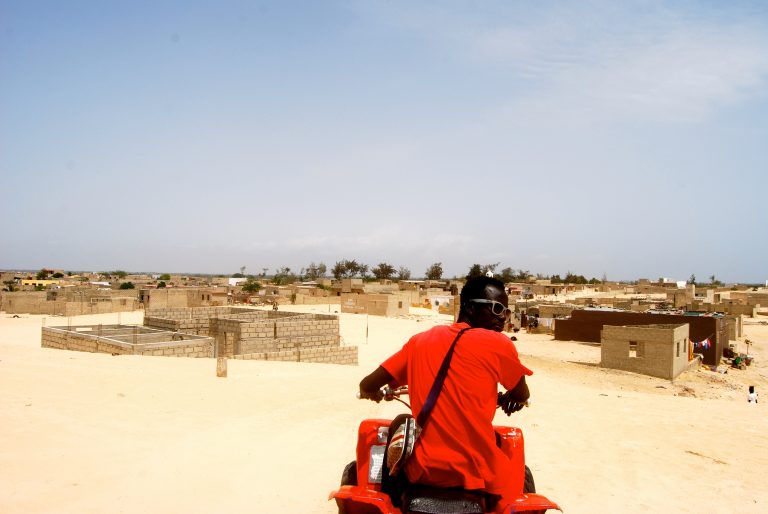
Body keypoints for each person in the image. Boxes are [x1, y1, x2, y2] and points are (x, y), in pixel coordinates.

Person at [359, 276, 532, 507]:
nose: (503, 317)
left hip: (421, 473)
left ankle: (390, 497)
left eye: (506, 312)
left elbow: (368, 384)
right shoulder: (499, 344)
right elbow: (522, 394)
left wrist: (375, 392)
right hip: (478, 477)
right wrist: (510, 398)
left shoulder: (419, 341)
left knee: (398, 425)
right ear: (471, 307)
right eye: (497, 308)